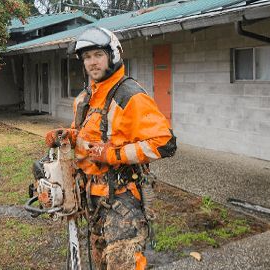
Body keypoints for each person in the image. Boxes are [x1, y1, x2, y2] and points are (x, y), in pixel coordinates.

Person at [45, 26, 176, 270]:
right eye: (86, 57)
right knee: (100, 259)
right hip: (92, 199)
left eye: (97, 55)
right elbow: (86, 134)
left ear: (113, 55)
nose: (92, 62)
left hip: (123, 200)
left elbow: (165, 143)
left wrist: (112, 154)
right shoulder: (84, 98)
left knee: (123, 265)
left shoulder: (130, 95)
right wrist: (68, 136)